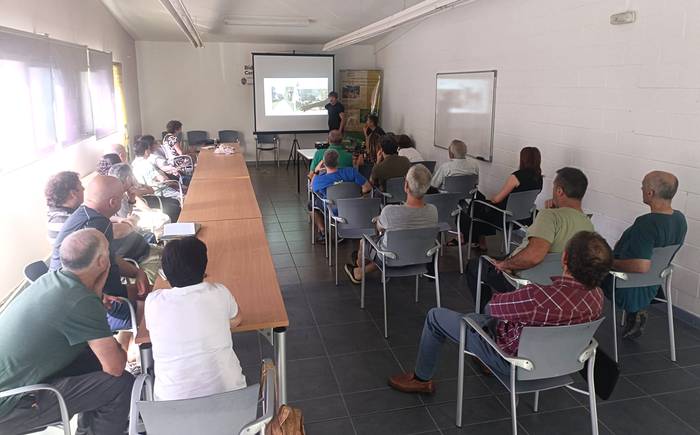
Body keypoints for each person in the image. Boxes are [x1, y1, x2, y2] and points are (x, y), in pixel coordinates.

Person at [388, 231, 611, 393]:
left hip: (510, 360)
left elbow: (492, 307)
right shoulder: (597, 298)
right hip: (561, 363)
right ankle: (479, 357)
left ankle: (421, 378)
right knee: (475, 319)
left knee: (436, 316)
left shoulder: (537, 297)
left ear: (564, 259)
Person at [0, 229, 134, 435]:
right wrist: (120, 337)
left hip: (15, 382)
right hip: (12, 404)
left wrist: (96, 296)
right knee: (120, 384)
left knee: (93, 363)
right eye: (108, 251)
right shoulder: (80, 301)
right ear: (101, 262)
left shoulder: (52, 279)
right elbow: (115, 367)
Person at [467, 167, 594, 311]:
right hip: (557, 285)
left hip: (524, 281)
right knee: (498, 259)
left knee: (475, 266)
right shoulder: (587, 224)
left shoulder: (549, 216)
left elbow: (534, 256)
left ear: (559, 191)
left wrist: (505, 265)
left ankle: (487, 314)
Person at [146, 237, 246, 400]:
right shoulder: (219, 292)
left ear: (165, 272)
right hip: (232, 403)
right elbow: (237, 319)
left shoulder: (153, 301)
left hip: (172, 411)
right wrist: (215, 324)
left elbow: (154, 330)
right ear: (204, 267)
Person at [49, 176, 150, 335]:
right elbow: (91, 286)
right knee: (154, 311)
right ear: (113, 202)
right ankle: (133, 347)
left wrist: (137, 272)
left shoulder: (85, 214)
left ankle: (130, 340)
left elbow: (110, 257)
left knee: (147, 292)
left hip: (94, 294)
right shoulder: (97, 225)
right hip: (83, 307)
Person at [603, 171, 687, 339]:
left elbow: (641, 266)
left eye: (643, 186)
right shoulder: (680, 219)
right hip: (653, 286)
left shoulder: (646, 223)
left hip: (624, 284)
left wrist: (608, 262)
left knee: (585, 267)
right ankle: (636, 311)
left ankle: (576, 321)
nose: (641, 188)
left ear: (650, 193)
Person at [345, 164, 438, 284]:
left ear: (406, 186)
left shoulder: (389, 211)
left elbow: (379, 228)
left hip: (389, 259)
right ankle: (360, 269)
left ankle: (359, 270)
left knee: (364, 242)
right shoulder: (433, 210)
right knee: (397, 246)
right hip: (420, 257)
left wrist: (381, 219)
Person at [466, 147, 543, 249]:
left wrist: (489, 200)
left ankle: (478, 242)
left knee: (476, 205)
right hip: (525, 217)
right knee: (482, 205)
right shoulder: (539, 178)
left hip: (505, 217)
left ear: (522, 159)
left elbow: (497, 200)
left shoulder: (516, 177)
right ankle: (480, 242)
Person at [309, 149, 372, 238]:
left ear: (324, 163)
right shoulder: (351, 172)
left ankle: (323, 231)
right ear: (338, 161)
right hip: (355, 208)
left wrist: (315, 171)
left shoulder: (319, 180)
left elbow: (312, 188)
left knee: (311, 204)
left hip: (333, 209)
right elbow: (367, 188)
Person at [131, 136, 184, 223]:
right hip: (158, 191)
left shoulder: (134, 164)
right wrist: (174, 182)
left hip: (148, 193)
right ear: (146, 151)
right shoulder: (146, 164)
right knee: (185, 199)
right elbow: (163, 179)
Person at [45, 171, 84, 245]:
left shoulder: (53, 213)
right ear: (73, 194)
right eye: (81, 186)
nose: (83, 188)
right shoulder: (70, 222)